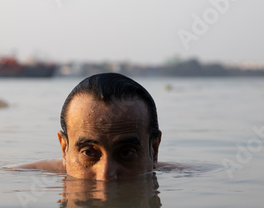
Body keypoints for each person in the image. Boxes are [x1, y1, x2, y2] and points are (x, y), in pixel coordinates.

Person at [14, 73, 182, 180]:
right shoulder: (19, 177)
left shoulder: (189, 176)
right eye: (88, 152)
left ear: (154, 150)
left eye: (126, 152)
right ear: (64, 149)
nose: (105, 177)